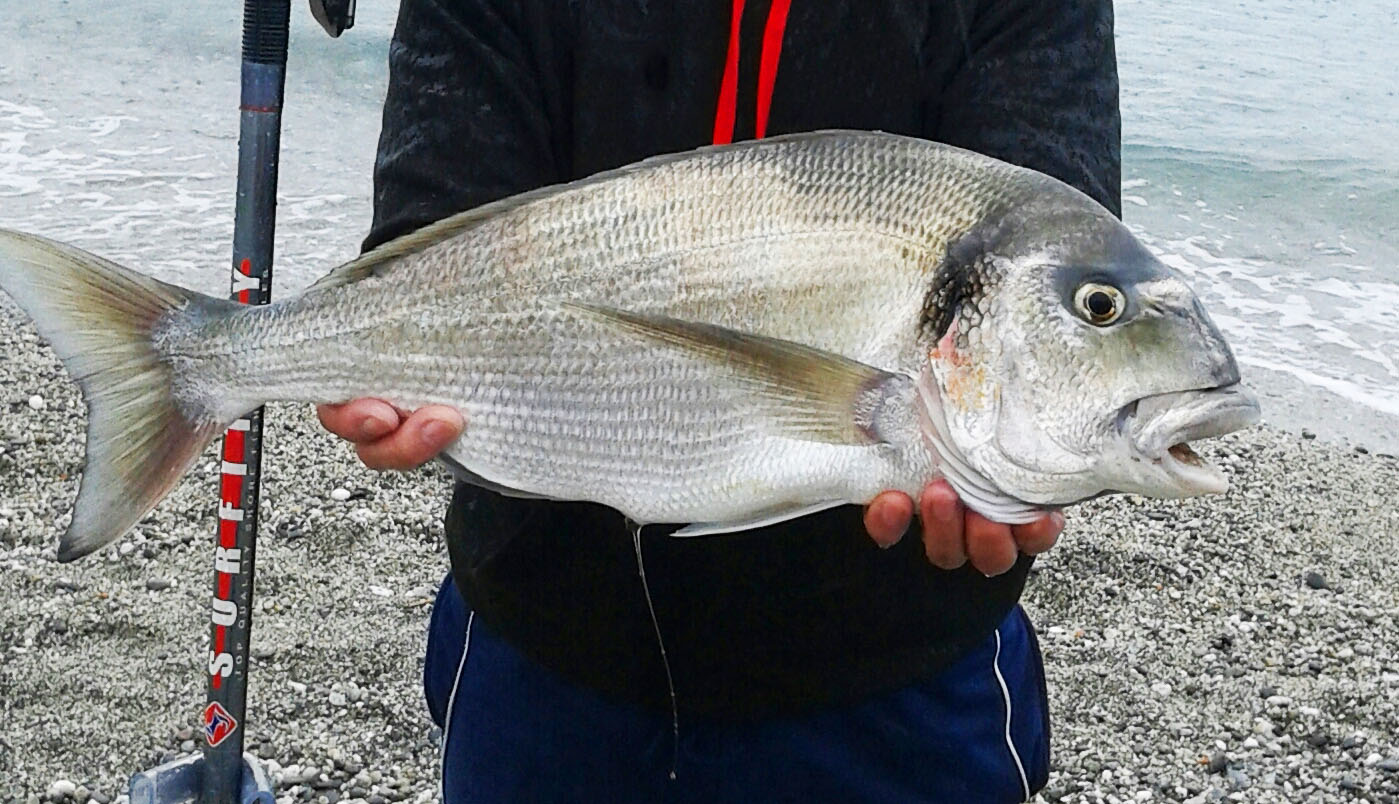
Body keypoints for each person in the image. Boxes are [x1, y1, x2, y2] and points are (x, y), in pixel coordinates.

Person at [317, 1, 1120, 800]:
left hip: (894, 674)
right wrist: (383, 350)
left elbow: (1054, 233)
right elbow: (436, 211)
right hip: (545, 642)